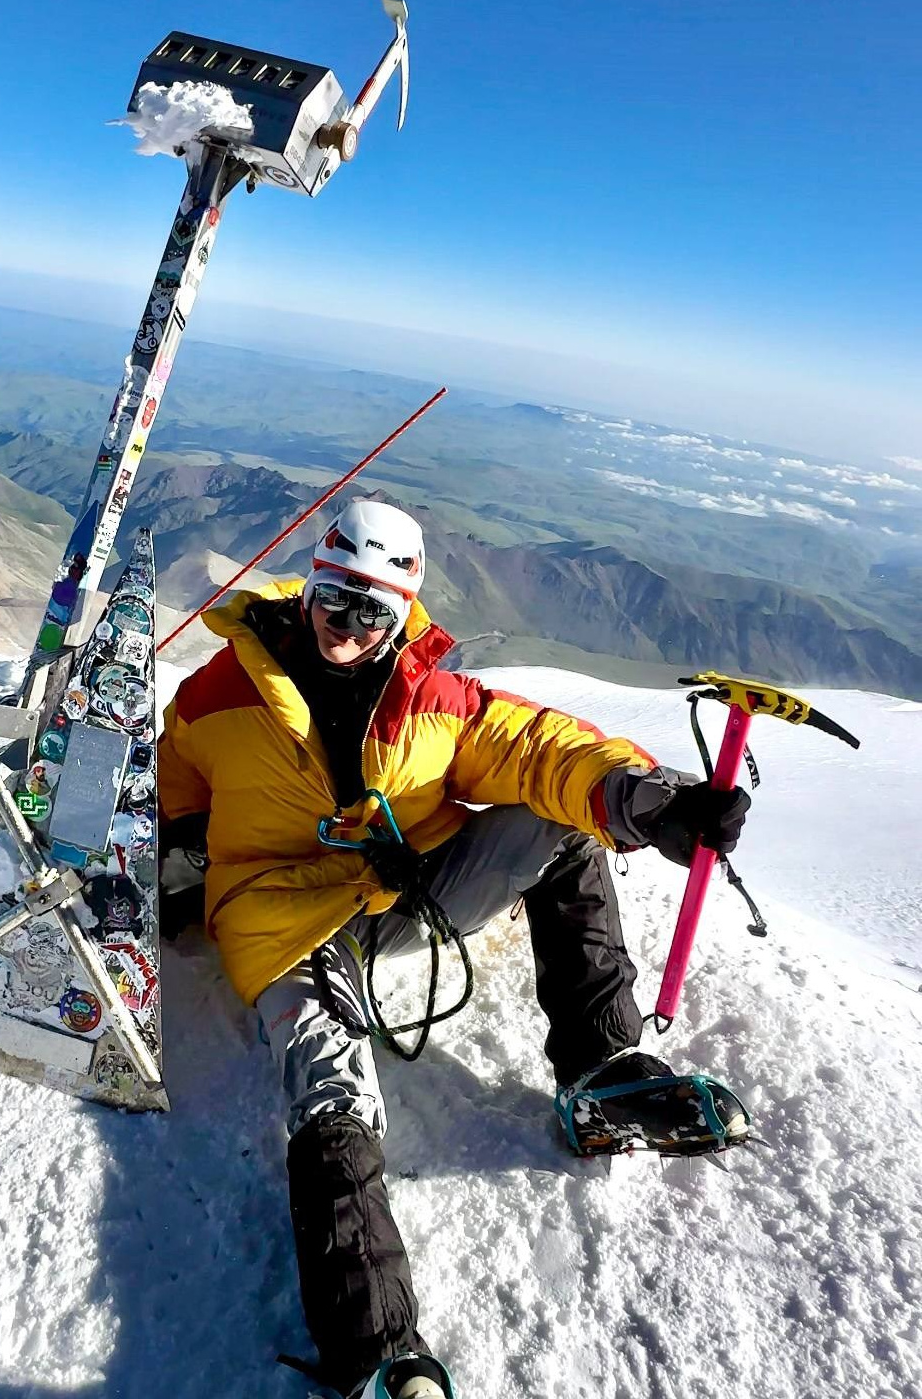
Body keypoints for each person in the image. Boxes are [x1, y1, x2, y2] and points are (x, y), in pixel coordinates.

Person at [157, 498, 750, 1399]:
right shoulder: (219, 692)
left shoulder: (433, 699)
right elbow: (172, 780)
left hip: (405, 894)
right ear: (307, 589)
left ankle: (600, 1069)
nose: (346, 627)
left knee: (559, 824)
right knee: (333, 1090)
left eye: (371, 612)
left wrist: (649, 802)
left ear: (402, 616)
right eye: (332, 600)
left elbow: (540, 749)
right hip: (283, 920)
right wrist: (176, 862)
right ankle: (374, 1354)